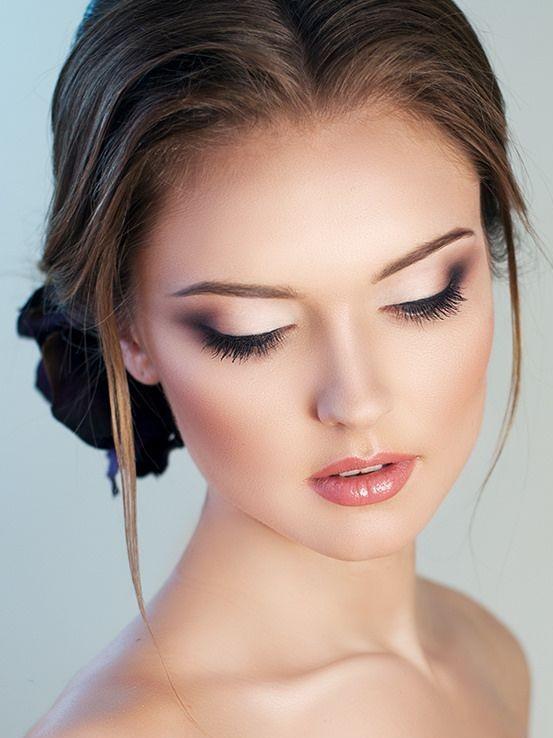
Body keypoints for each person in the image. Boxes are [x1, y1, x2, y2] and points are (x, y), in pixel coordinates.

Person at [18, 0, 542, 736]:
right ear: (127, 329)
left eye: (423, 297)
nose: (355, 400)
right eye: (251, 333)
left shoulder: (490, 660)